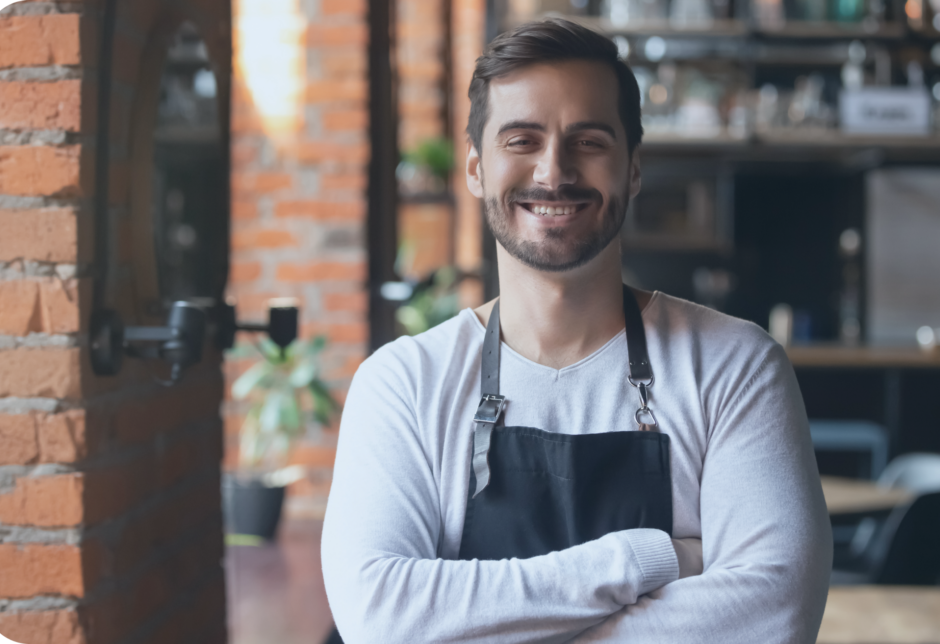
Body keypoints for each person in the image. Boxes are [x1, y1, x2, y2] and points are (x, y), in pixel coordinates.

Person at [322, 18, 832, 643]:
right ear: (477, 170)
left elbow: (772, 618)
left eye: (588, 141)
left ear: (633, 170)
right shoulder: (403, 384)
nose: (553, 171)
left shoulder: (734, 366)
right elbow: (380, 618)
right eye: (522, 140)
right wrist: (652, 558)